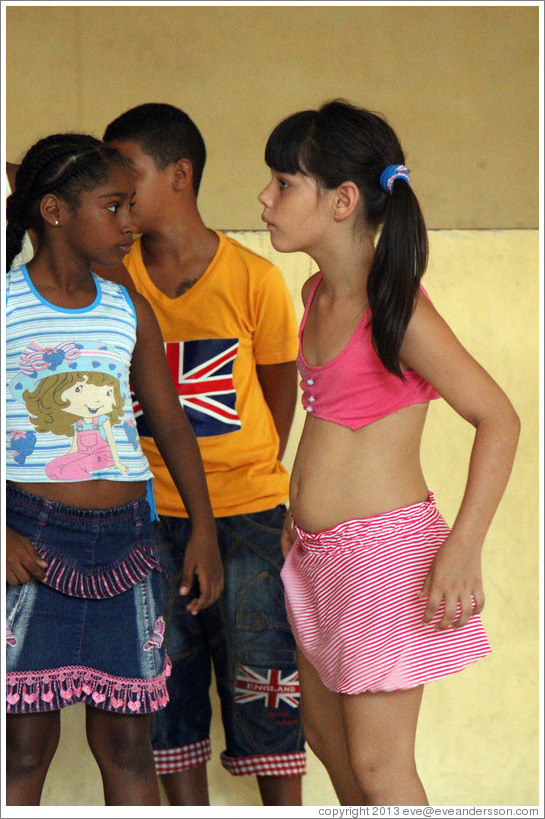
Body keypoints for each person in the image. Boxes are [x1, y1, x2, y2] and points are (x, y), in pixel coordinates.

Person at [257, 99, 520, 807]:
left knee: (380, 769)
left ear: (342, 200)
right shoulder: (316, 291)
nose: (264, 198)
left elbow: (498, 417)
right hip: (313, 552)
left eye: (283, 183)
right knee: (324, 738)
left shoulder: (393, 307)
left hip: (383, 557)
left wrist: (462, 547)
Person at [5, 133, 223, 806]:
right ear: (54, 211)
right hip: (29, 542)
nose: (131, 222)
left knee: (130, 746)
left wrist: (203, 532)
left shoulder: (126, 307)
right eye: (114, 205)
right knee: (21, 745)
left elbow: (171, 421)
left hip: (127, 540)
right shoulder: (7, 304)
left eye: (131, 205)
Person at [97, 103, 306, 806]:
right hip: (145, 521)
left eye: (127, 174)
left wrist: (238, 482)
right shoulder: (111, 282)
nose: (115, 191)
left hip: (248, 516)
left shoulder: (253, 279)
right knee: (165, 688)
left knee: (265, 682)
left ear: (179, 175)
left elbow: (280, 396)